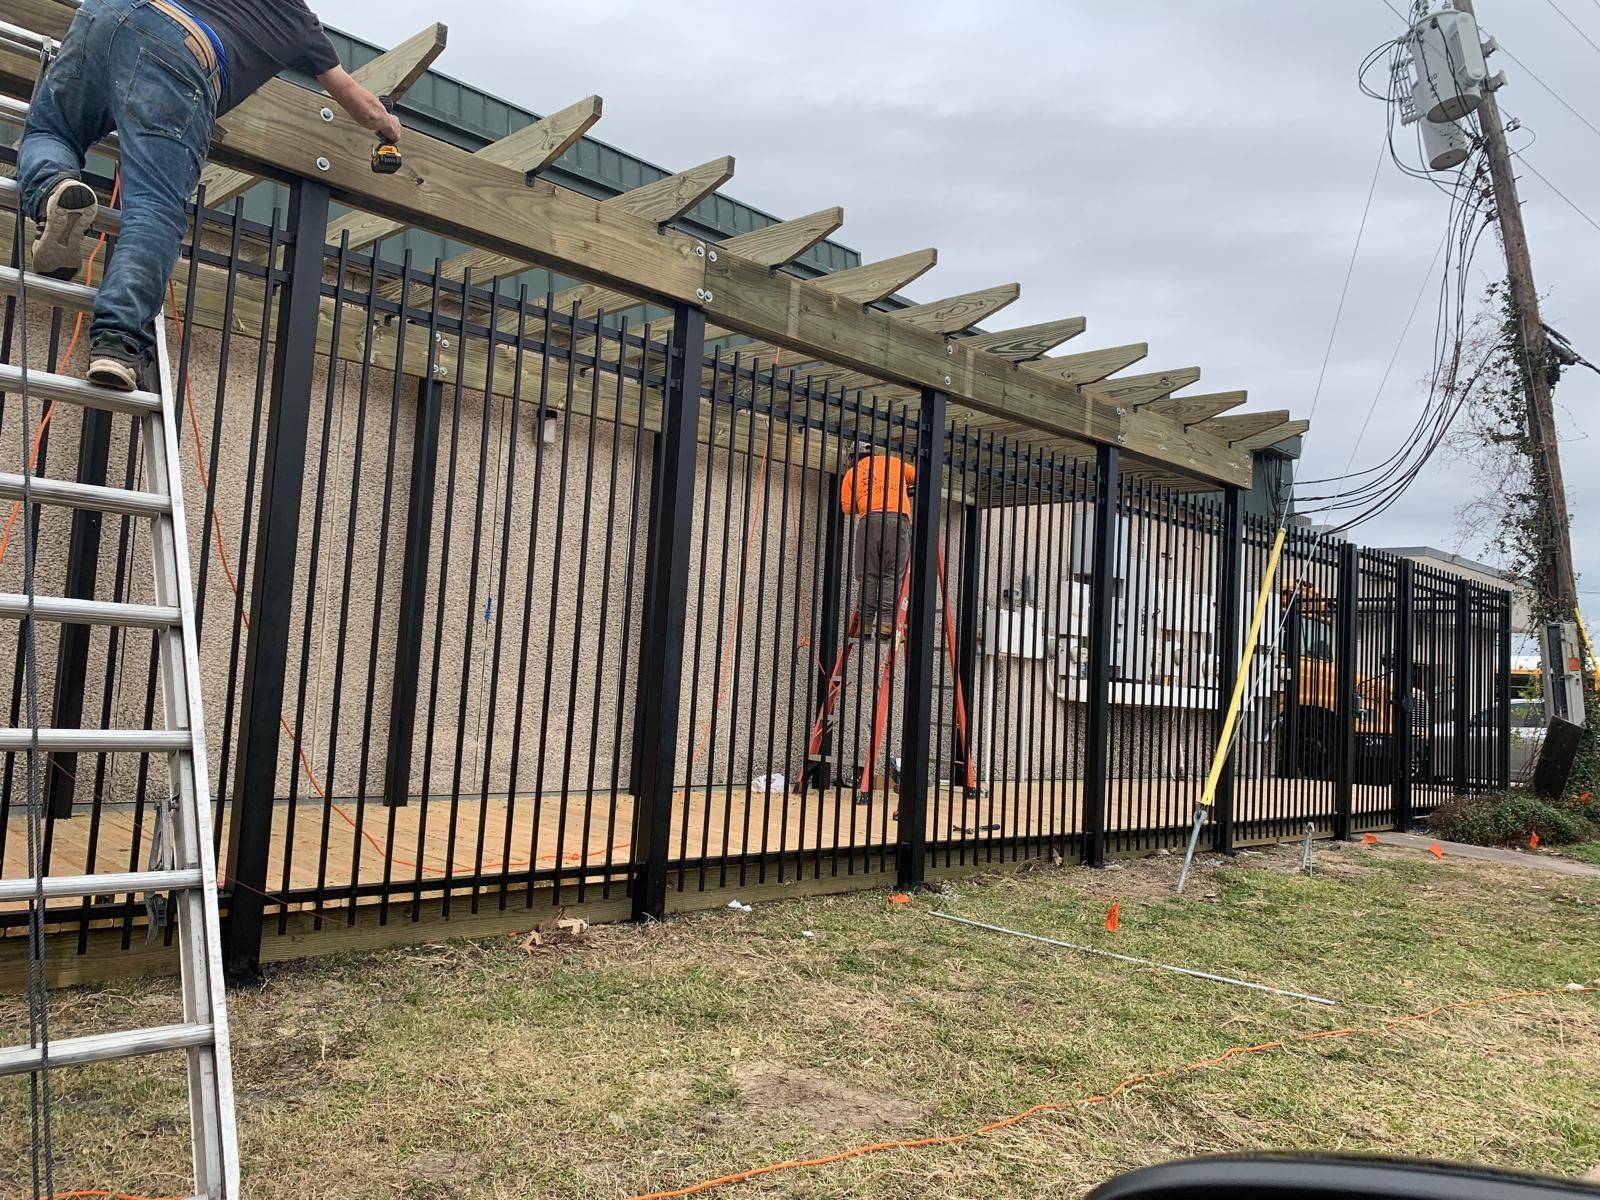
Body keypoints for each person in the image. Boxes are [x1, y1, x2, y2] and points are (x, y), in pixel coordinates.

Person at [19, 0, 403, 391]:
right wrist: (388, 127)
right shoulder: (297, 20)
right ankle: (117, 340)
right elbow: (360, 102)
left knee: (52, 131)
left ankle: (53, 189)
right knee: (155, 206)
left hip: (104, 14)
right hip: (179, 52)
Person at [839, 445, 916, 639]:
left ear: (852, 458)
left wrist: (868, 500)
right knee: (891, 574)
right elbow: (921, 477)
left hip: (868, 522)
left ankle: (864, 625)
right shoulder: (895, 463)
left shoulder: (852, 474)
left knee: (868, 575)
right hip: (897, 520)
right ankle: (887, 625)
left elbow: (847, 508)